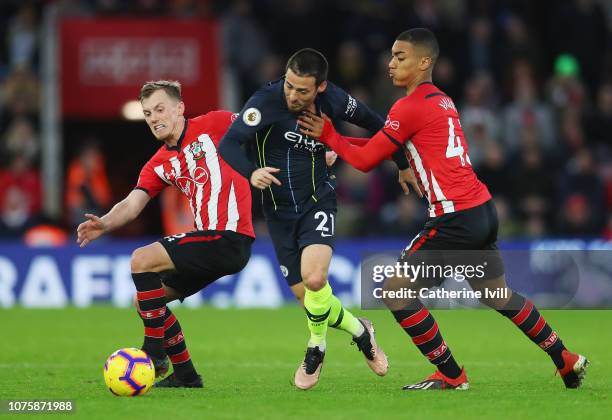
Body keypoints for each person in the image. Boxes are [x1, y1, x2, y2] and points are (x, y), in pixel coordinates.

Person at [297, 28, 588, 390]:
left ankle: (451, 375)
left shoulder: (409, 106)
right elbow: (385, 144)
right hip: (481, 209)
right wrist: (336, 143)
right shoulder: (441, 101)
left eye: (400, 57)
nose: (390, 64)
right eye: (391, 56)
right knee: (497, 294)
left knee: (395, 290)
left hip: (455, 217)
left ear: (424, 62)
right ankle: (565, 358)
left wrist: (329, 135)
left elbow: (367, 160)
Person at [218, 48, 408, 390]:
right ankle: (361, 331)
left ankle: (316, 347)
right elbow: (229, 145)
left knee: (315, 278)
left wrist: (403, 164)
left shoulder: (334, 100)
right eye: (289, 86)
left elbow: (380, 126)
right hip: (277, 211)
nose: (292, 95)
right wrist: (252, 172)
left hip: (317, 200)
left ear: (320, 87)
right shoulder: (264, 101)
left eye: (301, 90)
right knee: (308, 298)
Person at [76, 80, 254, 388]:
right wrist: (104, 222)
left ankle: (154, 353)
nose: (154, 118)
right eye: (147, 113)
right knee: (145, 302)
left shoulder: (214, 122)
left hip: (229, 235)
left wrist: (316, 151)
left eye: (160, 109)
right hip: (212, 242)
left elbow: (260, 124)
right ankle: (186, 376)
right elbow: (133, 203)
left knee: (141, 259)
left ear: (179, 108)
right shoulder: (159, 163)